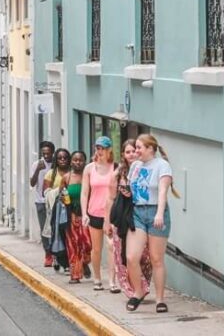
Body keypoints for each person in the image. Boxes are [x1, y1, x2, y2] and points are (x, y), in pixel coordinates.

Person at [125, 134, 179, 313]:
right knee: (132, 257)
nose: (136, 151)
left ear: (150, 149)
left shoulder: (162, 165)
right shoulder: (135, 166)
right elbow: (131, 189)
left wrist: (158, 214)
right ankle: (139, 292)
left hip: (157, 211)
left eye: (139, 147)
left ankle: (160, 299)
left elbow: (163, 191)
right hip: (137, 213)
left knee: (157, 259)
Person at [104, 139, 152, 301]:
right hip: (123, 219)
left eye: (134, 151)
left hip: (142, 217)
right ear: (123, 155)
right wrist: (107, 222)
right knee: (123, 254)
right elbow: (110, 199)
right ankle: (134, 290)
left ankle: (142, 285)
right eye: (128, 152)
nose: (132, 154)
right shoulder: (118, 174)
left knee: (145, 256)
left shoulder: (147, 170)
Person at [81, 136, 119, 293]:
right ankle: (97, 278)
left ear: (110, 149)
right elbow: (84, 193)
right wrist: (84, 213)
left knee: (112, 247)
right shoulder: (89, 168)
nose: (100, 151)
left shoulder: (116, 168)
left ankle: (112, 281)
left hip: (111, 214)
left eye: (103, 148)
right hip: (94, 212)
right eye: (97, 148)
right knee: (96, 249)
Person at [62, 151, 92, 283]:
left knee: (87, 244)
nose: (77, 162)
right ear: (71, 161)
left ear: (84, 162)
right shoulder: (67, 178)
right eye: (75, 160)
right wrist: (64, 199)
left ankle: (85, 262)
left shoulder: (89, 176)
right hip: (72, 215)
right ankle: (75, 275)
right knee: (73, 245)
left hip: (87, 215)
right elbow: (61, 195)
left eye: (80, 160)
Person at [43, 148, 71, 271]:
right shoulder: (51, 174)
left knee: (68, 234)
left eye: (65, 157)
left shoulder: (72, 172)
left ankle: (67, 262)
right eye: (60, 158)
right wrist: (58, 191)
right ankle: (57, 257)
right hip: (56, 209)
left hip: (69, 208)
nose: (63, 160)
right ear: (56, 160)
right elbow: (46, 192)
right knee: (57, 234)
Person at [30, 141, 55, 266]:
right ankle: (48, 254)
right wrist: (38, 170)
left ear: (52, 153)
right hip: (40, 201)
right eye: (43, 153)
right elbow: (32, 183)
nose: (46, 156)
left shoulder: (56, 164)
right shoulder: (37, 164)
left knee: (55, 227)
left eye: (48, 153)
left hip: (54, 201)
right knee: (44, 229)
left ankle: (56, 253)